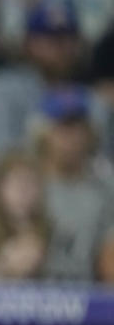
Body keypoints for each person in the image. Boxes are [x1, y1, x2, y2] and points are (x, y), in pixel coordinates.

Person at [0, 0, 111, 167]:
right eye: (50, 39)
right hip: (24, 189)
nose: (61, 48)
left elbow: (104, 165)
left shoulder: (92, 100)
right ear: (28, 43)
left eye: (68, 37)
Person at [33, 87, 114, 282]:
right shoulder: (28, 181)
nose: (70, 137)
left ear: (90, 132)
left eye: (78, 127)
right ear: (44, 133)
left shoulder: (105, 187)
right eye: (62, 127)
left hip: (89, 287)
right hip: (29, 288)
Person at [0, 151, 51, 280]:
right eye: (14, 182)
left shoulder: (53, 235)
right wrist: (2, 265)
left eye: (29, 182)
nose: (22, 190)